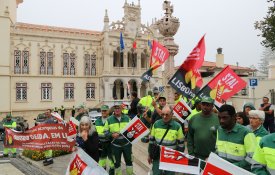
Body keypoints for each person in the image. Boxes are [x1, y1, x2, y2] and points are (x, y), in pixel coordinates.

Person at [216, 104, 257, 171]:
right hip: (222, 171)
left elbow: (252, 157)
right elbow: (218, 150)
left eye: (224, 118)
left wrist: (233, 167)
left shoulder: (246, 133)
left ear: (234, 117)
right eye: (219, 118)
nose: (221, 121)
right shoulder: (219, 130)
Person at [148, 105, 184, 175]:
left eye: (167, 115)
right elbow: (151, 141)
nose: (164, 116)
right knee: (156, 173)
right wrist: (149, 154)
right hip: (157, 155)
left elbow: (181, 145)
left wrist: (179, 159)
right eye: (163, 114)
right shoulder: (156, 124)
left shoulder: (177, 126)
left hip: (171, 157)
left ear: (172, 114)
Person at [187, 97, 219, 162]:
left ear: (212, 106)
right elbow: (190, 137)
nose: (205, 107)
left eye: (207, 105)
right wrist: (191, 154)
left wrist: (215, 156)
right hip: (196, 156)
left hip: (213, 158)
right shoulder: (193, 118)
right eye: (203, 104)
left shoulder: (218, 119)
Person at [104, 103, 133, 175]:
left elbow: (133, 130)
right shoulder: (109, 119)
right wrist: (112, 135)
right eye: (115, 108)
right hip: (115, 145)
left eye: (118, 108)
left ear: (121, 109)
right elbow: (105, 132)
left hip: (127, 144)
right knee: (116, 163)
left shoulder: (127, 118)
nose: (117, 110)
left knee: (129, 161)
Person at [95, 105, 114, 175]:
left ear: (108, 111)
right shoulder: (97, 121)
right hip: (101, 144)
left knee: (112, 161)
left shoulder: (112, 120)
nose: (103, 112)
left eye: (105, 111)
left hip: (110, 143)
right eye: (102, 111)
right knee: (101, 161)